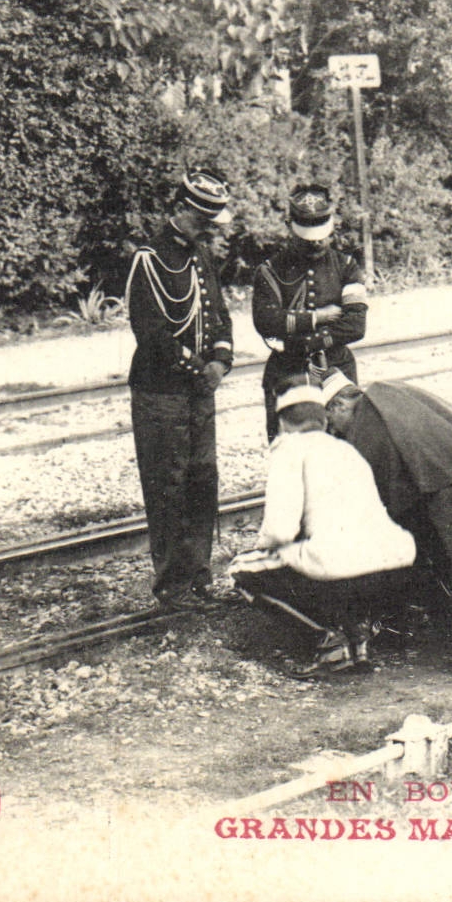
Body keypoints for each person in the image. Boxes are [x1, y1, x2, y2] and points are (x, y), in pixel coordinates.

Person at [320, 372, 452, 676]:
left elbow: (376, 491)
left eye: (331, 420)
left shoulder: (365, 424)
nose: (334, 429)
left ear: (338, 405)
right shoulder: (385, 390)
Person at [229, 378, 417, 677]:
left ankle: (330, 642)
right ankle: (360, 638)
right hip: (392, 565)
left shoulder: (289, 450)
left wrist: (263, 549)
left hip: (343, 570)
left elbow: (279, 531)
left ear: (283, 420)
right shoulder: (346, 449)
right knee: (337, 556)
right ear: (322, 417)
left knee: (242, 570)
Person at [125, 168, 235, 610]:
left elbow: (219, 316)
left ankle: (200, 576)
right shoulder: (148, 259)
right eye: (204, 217)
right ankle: (173, 586)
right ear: (183, 209)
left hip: (199, 391)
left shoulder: (200, 255)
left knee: (202, 481)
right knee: (168, 486)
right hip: (161, 393)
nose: (211, 226)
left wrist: (221, 362)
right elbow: (151, 333)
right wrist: (197, 369)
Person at [251, 184, 367, 441]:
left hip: (337, 368)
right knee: (290, 450)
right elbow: (266, 321)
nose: (316, 242)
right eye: (307, 237)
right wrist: (318, 318)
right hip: (288, 372)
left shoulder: (347, 266)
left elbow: (356, 325)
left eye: (322, 235)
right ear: (290, 227)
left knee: (345, 447)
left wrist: (303, 338)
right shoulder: (270, 270)